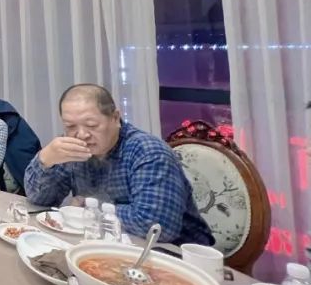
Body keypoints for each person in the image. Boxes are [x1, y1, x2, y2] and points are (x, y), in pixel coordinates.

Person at [24, 84, 214, 245]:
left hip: (176, 253)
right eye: (70, 126)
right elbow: (39, 200)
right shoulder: (72, 148)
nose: (81, 135)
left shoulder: (148, 152)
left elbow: (157, 227)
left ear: (115, 118)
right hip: (105, 244)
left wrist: (87, 209)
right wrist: (46, 160)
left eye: (91, 125)